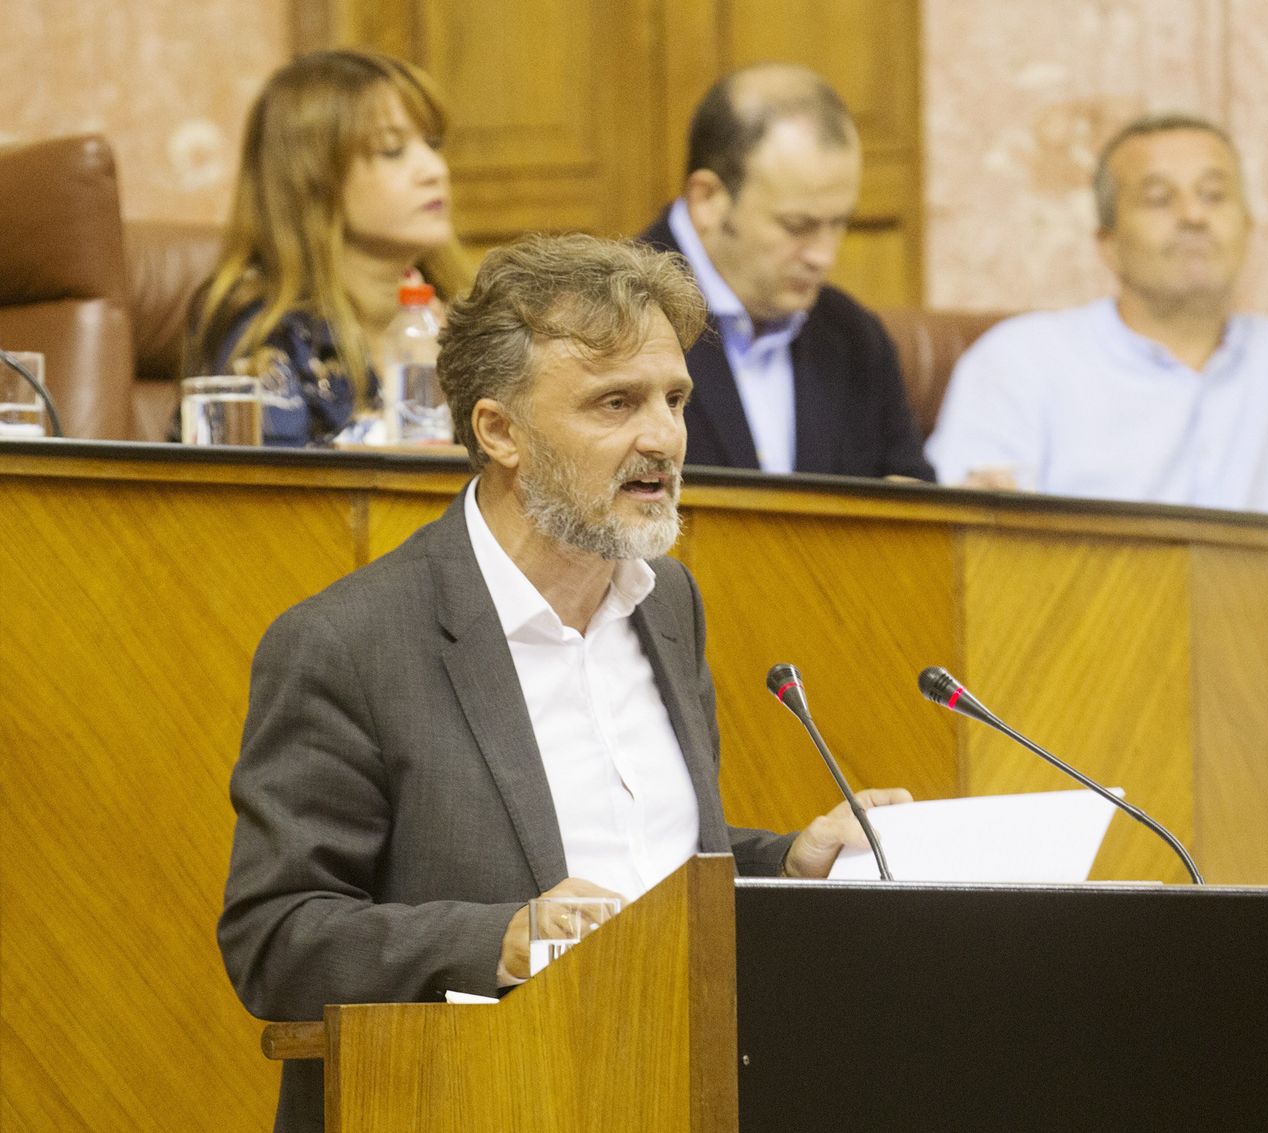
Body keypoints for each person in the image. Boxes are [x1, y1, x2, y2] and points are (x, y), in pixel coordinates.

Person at [217, 232, 908, 1131]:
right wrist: (504, 937)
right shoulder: (348, 643)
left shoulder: (669, 603)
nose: (662, 436)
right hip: (468, 1099)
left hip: (673, 1087)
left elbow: (641, 869)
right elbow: (276, 937)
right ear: (500, 430)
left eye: (674, 398)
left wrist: (785, 861)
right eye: (614, 403)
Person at [925, 113, 1268, 518]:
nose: (1193, 217)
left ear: (1248, 227)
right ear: (1107, 243)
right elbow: (975, 548)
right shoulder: (1021, 361)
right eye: (1159, 199)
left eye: (1213, 195)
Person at [637, 63, 933, 480]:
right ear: (708, 200)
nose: (823, 256)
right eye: (798, 226)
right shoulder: (609, 318)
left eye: (838, 223)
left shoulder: (854, 336)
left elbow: (912, 496)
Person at [185, 49, 470, 447]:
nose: (435, 171)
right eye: (392, 150)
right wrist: (401, 396)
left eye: (433, 144)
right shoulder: (261, 326)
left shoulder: (468, 317)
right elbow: (275, 497)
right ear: (313, 180)